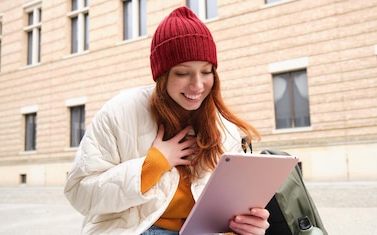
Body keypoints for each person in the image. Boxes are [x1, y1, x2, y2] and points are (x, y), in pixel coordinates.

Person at [64, 6, 268, 235]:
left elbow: (230, 208)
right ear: (162, 75)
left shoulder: (225, 129)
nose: (198, 85)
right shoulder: (119, 112)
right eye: (183, 73)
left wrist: (245, 226)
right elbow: (79, 193)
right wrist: (153, 165)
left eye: (207, 71)